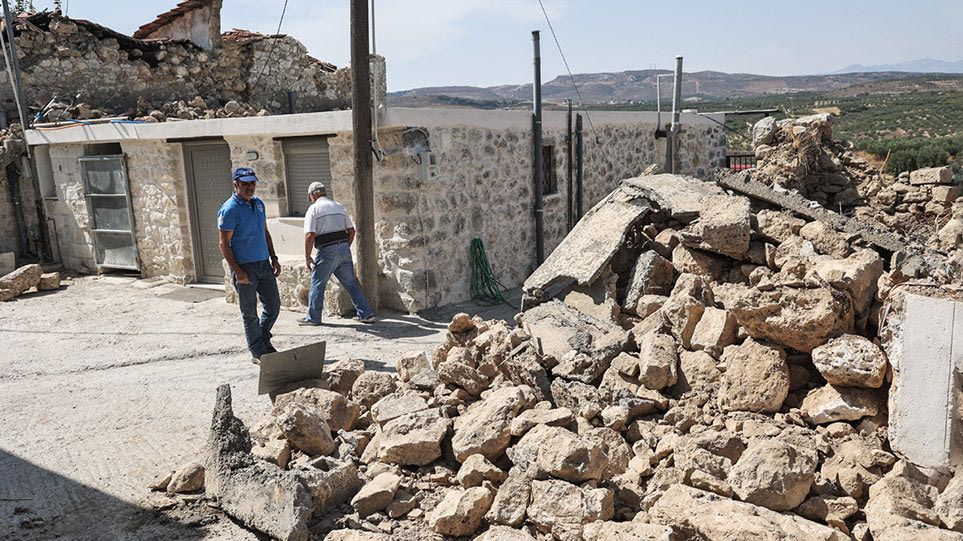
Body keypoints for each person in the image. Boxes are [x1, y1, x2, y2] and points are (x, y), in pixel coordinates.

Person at [217, 166, 282, 363]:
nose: (249, 187)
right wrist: (237, 271)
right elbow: (223, 243)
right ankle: (257, 351)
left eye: (252, 183)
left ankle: (262, 339)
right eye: (245, 184)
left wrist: (274, 257)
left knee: (273, 306)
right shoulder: (229, 209)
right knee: (250, 313)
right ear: (235, 184)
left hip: (264, 263)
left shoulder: (259, 204)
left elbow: (265, 232)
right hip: (244, 268)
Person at [299, 181, 375, 326]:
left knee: (317, 283)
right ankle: (366, 314)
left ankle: (313, 318)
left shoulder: (313, 209)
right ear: (325, 193)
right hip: (344, 249)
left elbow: (310, 235)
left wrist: (307, 256)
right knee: (351, 283)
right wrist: (344, 247)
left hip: (327, 250)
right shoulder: (339, 206)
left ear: (312, 195)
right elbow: (351, 231)